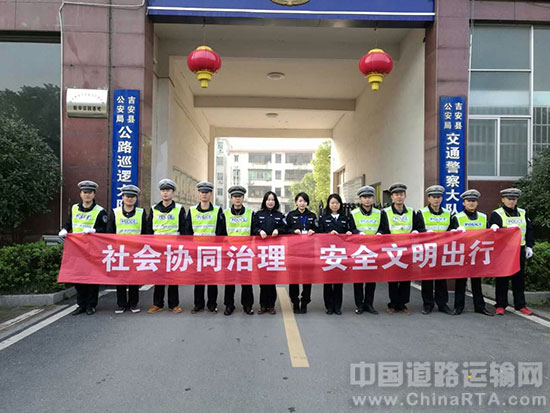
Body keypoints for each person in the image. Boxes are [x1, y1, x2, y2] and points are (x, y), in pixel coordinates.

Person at [58, 180, 107, 315]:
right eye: (85, 192)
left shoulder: (100, 211)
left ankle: (91, 305)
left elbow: (104, 230)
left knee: (91, 278)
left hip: (92, 250)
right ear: (80, 194)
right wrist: (64, 229)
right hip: (76, 249)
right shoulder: (74, 208)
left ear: (94, 194)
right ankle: (81, 304)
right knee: (78, 278)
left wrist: (93, 231)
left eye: (90, 193)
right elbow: (69, 223)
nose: (87, 195)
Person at [379, 183, 425, 315]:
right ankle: (393, 303)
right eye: (396, 194)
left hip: (407, 250)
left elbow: (419, 227)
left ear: (405, 196)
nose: (399, 197)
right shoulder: (385, 212)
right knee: (393, 277)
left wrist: (416, 231)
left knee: (405, 277)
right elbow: (383, 229)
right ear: (392, 197)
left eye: (401, 194)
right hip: (392, 250)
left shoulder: (411, 212)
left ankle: (403, 304)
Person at [490, 188, 535, 316]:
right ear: (503, 199)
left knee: (519, 278)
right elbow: (494, 231)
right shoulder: (497, 214)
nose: (511, 201)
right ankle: (500, 305)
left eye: (514, 199)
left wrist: (530, 246)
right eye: (509, 199)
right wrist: (499, 227)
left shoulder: (523, 212)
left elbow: (529, 230)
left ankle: (520, 305)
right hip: (504, 250)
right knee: (502, 278)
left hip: (519, 249)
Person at [184, 181, 226, 313]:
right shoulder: (192, 211)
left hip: (212, 251)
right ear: (199, 194)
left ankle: (212, 304)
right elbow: (187, 231)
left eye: (207, 192)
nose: (204, 195)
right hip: (197, 251)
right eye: (202, 192)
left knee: (212, 279)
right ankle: (198, 304)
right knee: (198, 279)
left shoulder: (217, 210)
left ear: (210, 194)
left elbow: (221, 231)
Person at [146, 178, 186, 314]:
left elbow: (184, 229)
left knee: (173, 277)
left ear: (173, 192)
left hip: (174, 249)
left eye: (168, 190)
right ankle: (157, 304)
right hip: (158, 250)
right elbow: (149, 230)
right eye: (163, 190)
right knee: (159, 277)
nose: (165, 193)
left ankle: (174, 304)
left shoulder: (179, 209)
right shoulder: (154, 209)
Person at [451, 189, 493, 316]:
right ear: (463, 203)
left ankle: (480, 307)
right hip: (463, 254)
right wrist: (455, 230)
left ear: (477, 203)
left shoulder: (483, 217)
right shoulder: (457, 217)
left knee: (476, 282)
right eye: (469, 201)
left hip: (478, 253)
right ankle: (458, 307)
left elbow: (489, 235)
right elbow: (450, 236)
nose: (471, 203)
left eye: (474, 201)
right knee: (460, 282)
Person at [106, 184, 147, 314]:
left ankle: (133, 304)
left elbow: (145, 233)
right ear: (122, 197)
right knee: (121, 279)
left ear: (136, 198)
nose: (130, 199)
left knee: (134, 279)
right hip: (120, 252)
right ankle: (121, 304)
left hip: (135, 252)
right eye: (127, 196)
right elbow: (110, 232)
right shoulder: (115, 212)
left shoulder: (141, 213)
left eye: (132, 196)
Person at [417, 185, 454, 315]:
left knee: (441, 279)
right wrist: (425, 232)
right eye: (434, 197)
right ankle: (428, 305)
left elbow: (451, 229)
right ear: (429, 198)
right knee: (427, 279)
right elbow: (418, 229)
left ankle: (442, 304)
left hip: (442, 250)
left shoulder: (448, 213)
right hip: (428, 250)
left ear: (442, 198)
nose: (436, 199)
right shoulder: (421, 213)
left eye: (438, 197)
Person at [252, 191, 287, 315]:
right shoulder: (258, 214)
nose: (270, 202)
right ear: (265, 201)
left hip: (274, 252)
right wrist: (259, 231)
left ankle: (271, 305)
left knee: (272, 280)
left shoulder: (280, 215)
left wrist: (278, 230)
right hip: (261, 252)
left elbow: (285, 228)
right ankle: (263, 305)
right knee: (262, 280)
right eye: (268, 199)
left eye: (272, 200)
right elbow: (253, 228)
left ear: (275, 202)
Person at [349, 185, 381, 315]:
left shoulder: (379, 213)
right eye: (364, 197)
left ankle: (369, 304)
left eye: (369, 197)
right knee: (358, 279)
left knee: (371, 279)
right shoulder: (354, 213)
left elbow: (383, 227)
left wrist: (380, 233)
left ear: (373, 199)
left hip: (373, 250)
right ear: (360, 199)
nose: (367, 200)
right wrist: (357, 233)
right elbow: (350, 229)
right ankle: (359, 305)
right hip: (359, 250)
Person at [318, 193, 352, 315]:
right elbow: (318, 234)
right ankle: (329, 306)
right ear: (328, 204)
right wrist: (328, 234)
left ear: (340, 204)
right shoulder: (323, 219)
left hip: (341, 253)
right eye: (332, 203)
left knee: (338, 281)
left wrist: (349, 233)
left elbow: (351, 231)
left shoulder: (345, 219)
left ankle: (337, 307)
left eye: (337, 203)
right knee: (327, 281)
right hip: (327, 253)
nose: (334, 205)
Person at [223, 185, 255, 315]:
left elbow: (254, 232)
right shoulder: (225, 214)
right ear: (231, 198)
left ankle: (247, 305)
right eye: (235, 196)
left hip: (245, 253)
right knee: (229, 281)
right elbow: (221, 233)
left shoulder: (250, 213)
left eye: (240, 196)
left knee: (246, 281)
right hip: (230, 253)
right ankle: (229, 305)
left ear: (243, 198)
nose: (237, 199)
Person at [286, 192, 317, 314]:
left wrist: (313, 230)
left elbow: (319, 228)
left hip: (308, 252)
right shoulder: (291, 215)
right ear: (296, 202)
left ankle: (305, 302)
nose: (302, 203)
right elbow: (285, 229)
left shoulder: (312, 216)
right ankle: (295, 302)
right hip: (294, 251)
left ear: (307, 203)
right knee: (294, 277)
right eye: (300, 201)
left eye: (304, 201)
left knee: (307, 278)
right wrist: (293, 231)